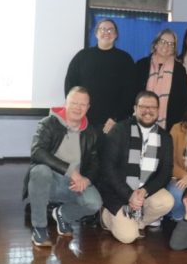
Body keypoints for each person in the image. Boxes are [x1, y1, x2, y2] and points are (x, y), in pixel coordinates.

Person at [23, 87, 103, 247]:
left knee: (94, 203)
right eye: (74, 103)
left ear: (88, 107)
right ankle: (39, 227)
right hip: (50, 181)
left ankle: (63, 215)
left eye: (83, 104)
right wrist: (71, 171)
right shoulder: (48, 123)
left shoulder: (91, 133)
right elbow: (37, 152)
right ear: (66, 103)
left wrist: (86, 180)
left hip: (74, 184)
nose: (78, 108)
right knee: (40, 171)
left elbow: (95, 163)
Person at [97, 91, 175, 244]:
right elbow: (108, 168)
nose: (148, 111)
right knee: (128, 237)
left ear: (158, 110)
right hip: (118, 194)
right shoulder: (119, 130)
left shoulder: (165, 137)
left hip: (143, 193)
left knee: (166, 201)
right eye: (143, 106)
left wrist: (145, 191)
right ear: (135, 108)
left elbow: (166, 172)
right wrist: (129, 195)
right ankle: (106, 216)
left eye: (152, 107)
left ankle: (137, 222)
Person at [64, 18, 136, 135]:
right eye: (103, 29)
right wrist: (75, 113)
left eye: (110, 30)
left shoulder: (125, 59)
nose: (106, 32)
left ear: (116, 35)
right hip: (83, 121)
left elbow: (130, 93)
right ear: (96, 33)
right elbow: (70, 86)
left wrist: (116, 118)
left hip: (112, 124)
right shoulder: (82, 56)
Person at [134, 29, 187, 131]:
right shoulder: (141, 65)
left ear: (174, 49)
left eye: (171, 44)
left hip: (169, 126)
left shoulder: (179, 70)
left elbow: (185, 100)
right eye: (163, 42)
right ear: (155, 44)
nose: (166, 46)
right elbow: (133, 94)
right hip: (140, 121)